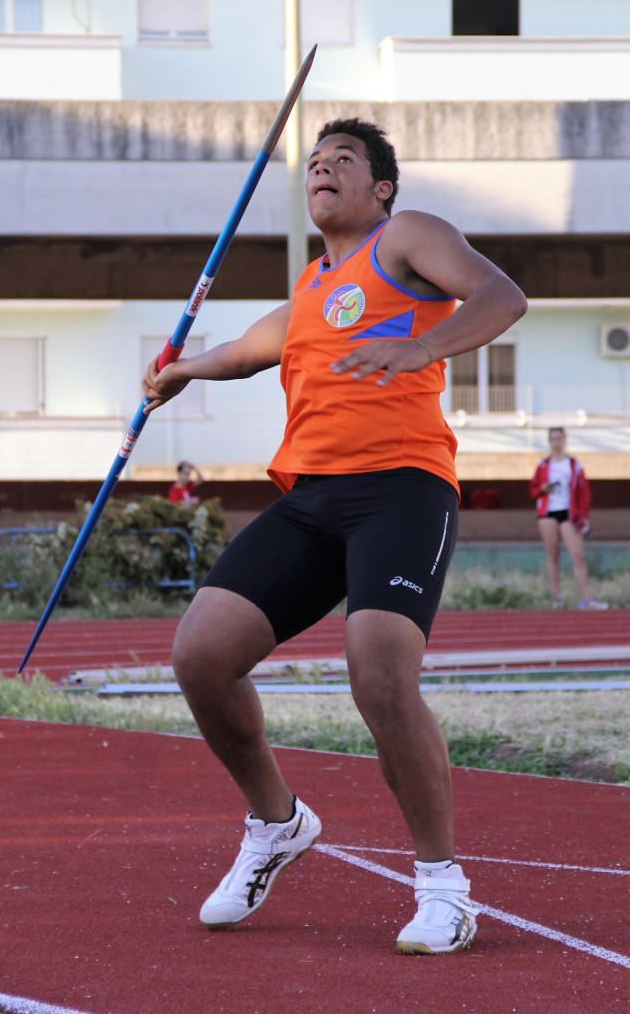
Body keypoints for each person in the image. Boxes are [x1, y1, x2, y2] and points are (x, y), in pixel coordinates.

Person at [142, 118, 527, 955]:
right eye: (314, 162)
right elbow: (246, 350)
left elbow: (502, 296)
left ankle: (443, 890)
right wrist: (179, 371)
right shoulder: (314, 284)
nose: (321, 169)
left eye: (341, 160)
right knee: (201, 655)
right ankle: (276, 823)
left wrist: (420, 346)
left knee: (379, 675)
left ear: (379, 187)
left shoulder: (407, 235)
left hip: (401, 489)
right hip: (311, 498)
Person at [529, 427, 608, 611]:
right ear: (549, 442)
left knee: (578, 555)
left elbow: (584, 493)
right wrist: (542, 489)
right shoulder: (543, 465)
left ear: (565, 440)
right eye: (553, 439)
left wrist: (584, 516)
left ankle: (586, 598)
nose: (557, 442)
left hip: (569, 513)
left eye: (559, 438)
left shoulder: (574, 465)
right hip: (547, 512)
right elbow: (533, 490)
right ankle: (556, 598)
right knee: (552, 555)